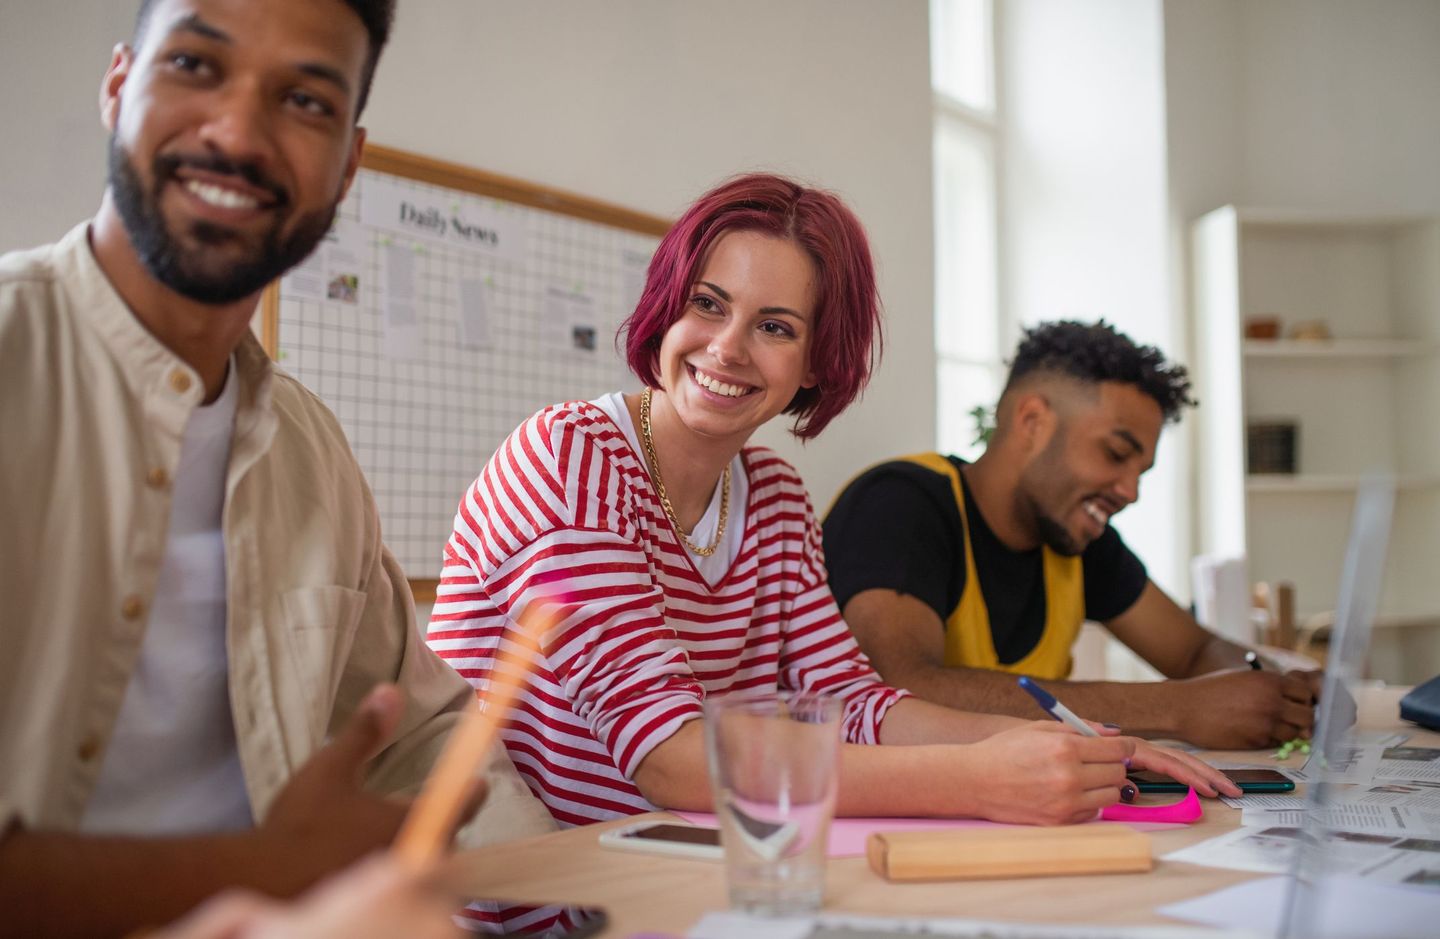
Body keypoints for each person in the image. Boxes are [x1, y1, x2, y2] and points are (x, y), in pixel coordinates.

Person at [426, 176, 1237, 837]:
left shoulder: (773, 496)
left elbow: (856, 703)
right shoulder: (572, 457)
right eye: (707, 304)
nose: (728, 347)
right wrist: (977, 777)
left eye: (775, 326)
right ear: (667, 303)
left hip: (680, 873)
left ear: (816, 362)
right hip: (516, 900)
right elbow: (669, 756)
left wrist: (1088, 745)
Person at [0, 1, 552, 935]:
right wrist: (264, 870)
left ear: (348, 164)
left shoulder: (310, 448)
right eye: (194, 66)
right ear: (116, 84)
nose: (237, 133)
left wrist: (565, 903)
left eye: (303, 99)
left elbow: (426, 740)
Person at [823, 320, 1323, 750]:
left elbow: (1192, 652)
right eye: (1115, 453)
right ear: (1032, 421)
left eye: (1141, 472)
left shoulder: (1077, 539)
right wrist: (1177, 708)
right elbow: (899, 689)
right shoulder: (900, 503)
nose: (1130, 491)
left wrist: (1279, 689)